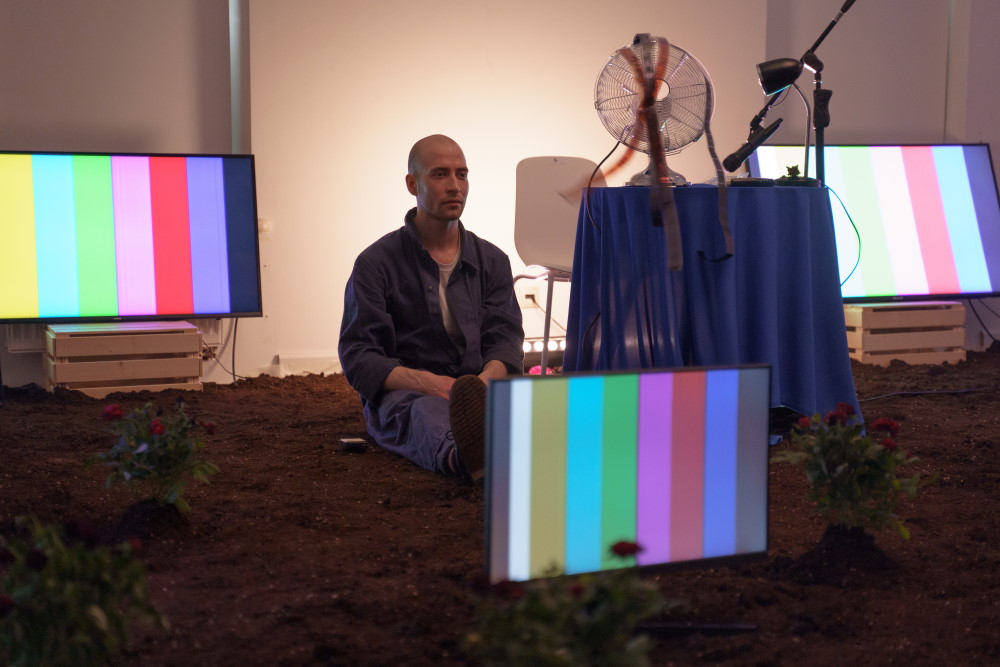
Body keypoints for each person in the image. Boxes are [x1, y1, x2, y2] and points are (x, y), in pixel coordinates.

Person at [338, 134, 524, 481]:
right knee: (422, 413)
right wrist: (439, 386)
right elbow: (360, 357)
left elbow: (505, 339)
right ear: (413, 184)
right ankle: (464, 456)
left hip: (482, 388)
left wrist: (482, 385)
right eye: (440, 174)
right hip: (411, 393)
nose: (455, 186)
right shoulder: (375, 263)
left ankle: (507, 443)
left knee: (542, 404)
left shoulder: (493, 260)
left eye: (462, 174)